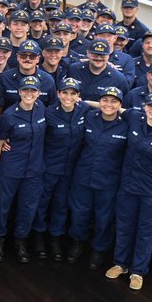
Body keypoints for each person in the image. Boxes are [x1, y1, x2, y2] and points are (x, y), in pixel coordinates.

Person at [105, 90, 152, 291]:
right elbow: (113, 107)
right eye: (151, 106)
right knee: (124, 227)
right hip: (128, 186)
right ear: (145, 106)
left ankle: (138, 271)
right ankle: (120, 263)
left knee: (145, 232)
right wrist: (82, 101)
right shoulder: (135, 117)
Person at [0, 75, 47, 263]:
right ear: (19, 92)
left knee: (28, 207)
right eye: (25, 90)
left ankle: (20, 241)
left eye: (33, 90)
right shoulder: (9, 115)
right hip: (10, 168)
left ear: (38, 93)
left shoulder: (43, 110)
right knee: (2, 206)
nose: (29, 93)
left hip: (33, 170)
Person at [33, 77, 87, 262]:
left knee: (61, 205)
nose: (68, 97)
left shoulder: (84, 111)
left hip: (70, 169)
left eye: (73, 93)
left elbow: (105, 109)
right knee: (42, 203)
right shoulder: (48, 113)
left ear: (78, 96)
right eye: (65, 92)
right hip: (49, 167)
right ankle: (39, 237)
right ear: (58, 93)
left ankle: (55, 237)